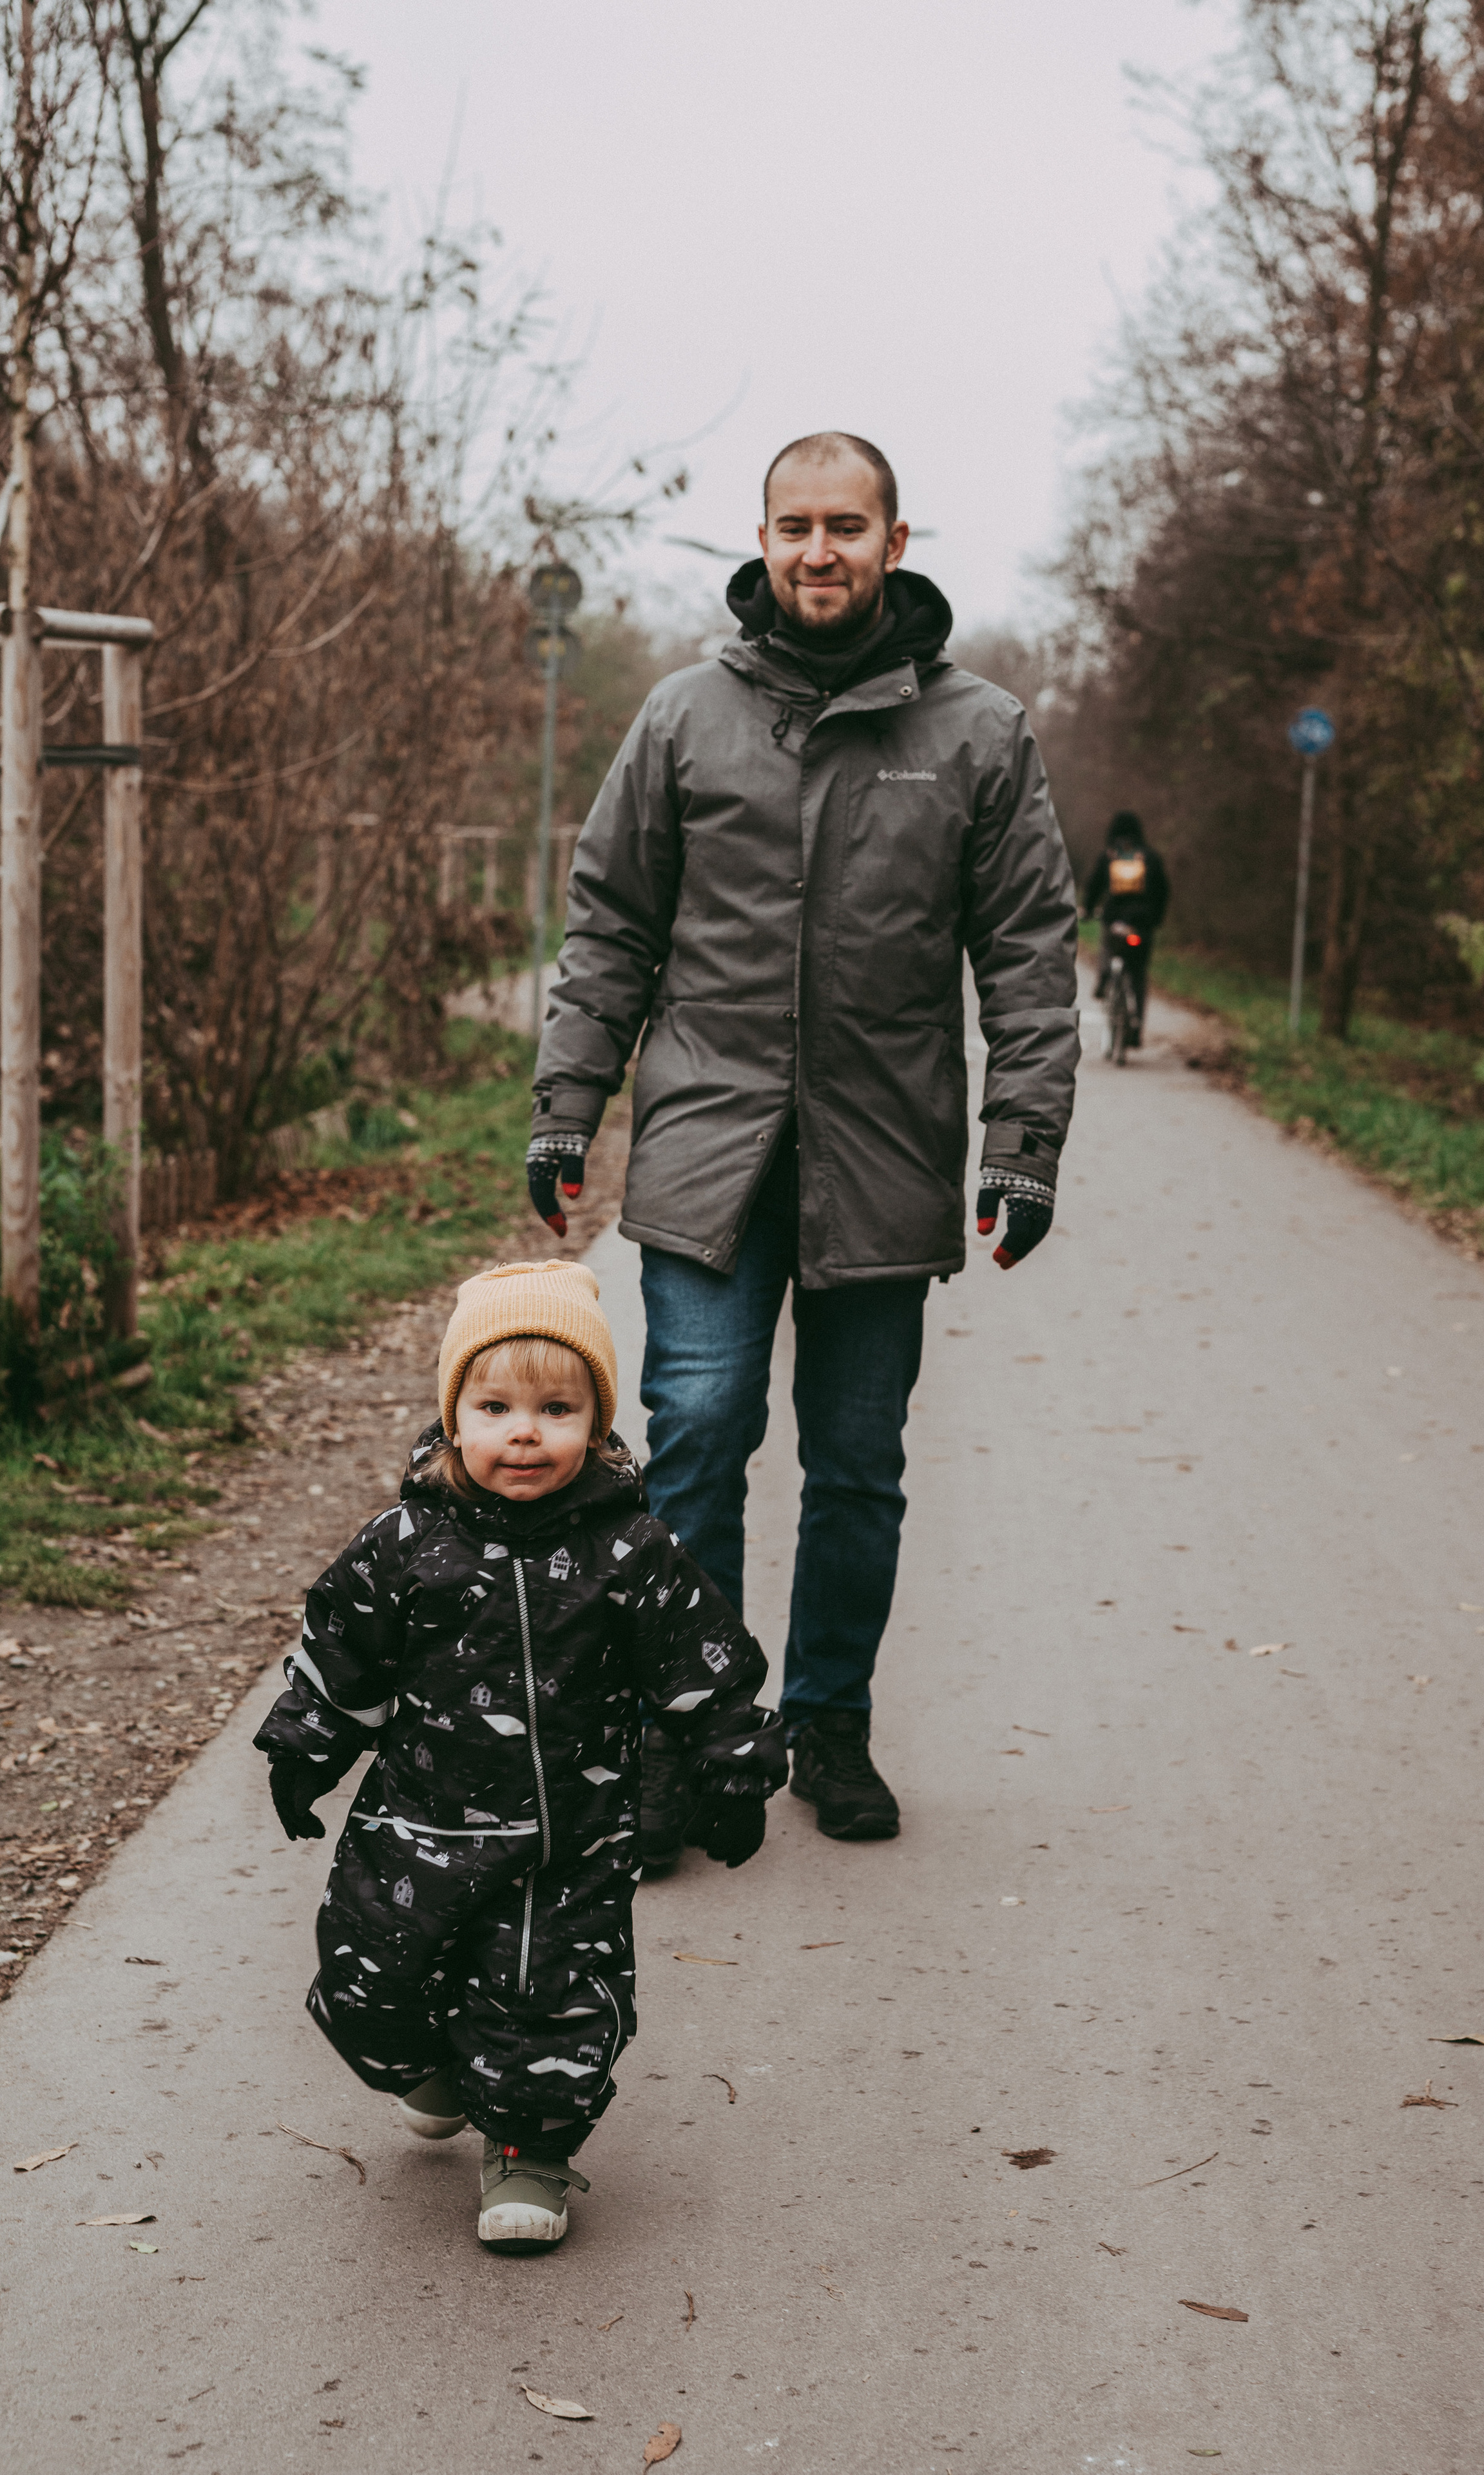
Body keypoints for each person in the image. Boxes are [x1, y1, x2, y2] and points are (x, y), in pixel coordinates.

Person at [526, 431, 1079, 1852]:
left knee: (855, 1467)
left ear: (895, 544)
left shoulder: (977, 732)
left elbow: (1025, 955)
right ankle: (689, 1736)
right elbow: (610, 931)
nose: (816, 552)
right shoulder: (680, 721)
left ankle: (827, 1724)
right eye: (792, 527)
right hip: (708, 1150)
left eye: (845, 527)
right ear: (760, 541)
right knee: (696, 1438)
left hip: (882, 1158)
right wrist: (565, 1110)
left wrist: (1023, 1147)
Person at [253, 1257, 785, 2253]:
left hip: (568, 1837)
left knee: (545, 2002)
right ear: (456, 1417)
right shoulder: (404, 1543)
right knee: (369, 1981)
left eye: (557, 1407)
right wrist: (305, 1749)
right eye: (496, 1405)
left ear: (598, 1421)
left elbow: (701, 1668)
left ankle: (526, 2150)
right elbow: (343, 1659)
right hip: (416, 1827)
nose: (526, 1431)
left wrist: (733, 1769)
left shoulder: (631, 1551)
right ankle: (437, 2072)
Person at [1084, 810, 1170, 1042]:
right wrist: (1156, 919)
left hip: (1115, 919)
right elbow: (1162, 891)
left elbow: (1094, 886)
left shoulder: (1110, 856)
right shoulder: (1150, 857)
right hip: (1142, 923)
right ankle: (1135, 1029)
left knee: (1108, 946)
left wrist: (1087, 909)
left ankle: (1104, 978)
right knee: (1138, 974)